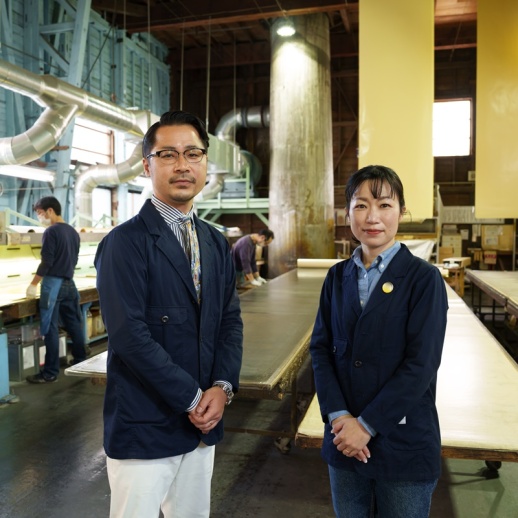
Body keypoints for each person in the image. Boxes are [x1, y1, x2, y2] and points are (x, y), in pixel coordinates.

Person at [94, 110, 243, 518]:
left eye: (193, 154)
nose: (182, 165)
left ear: (205, 163)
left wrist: (222, 387)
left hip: (202, 425)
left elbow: (229, 321)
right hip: (145, 424)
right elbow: (129, 337)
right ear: (147, 165)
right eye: (168, 155)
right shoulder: (124, 243)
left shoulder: (214, 242)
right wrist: (193, 398)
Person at [309, 165, 448, 517]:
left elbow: (421, 364)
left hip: (402, 443)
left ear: (402, 211)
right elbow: (321, 350)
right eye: (361, 205)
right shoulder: (336, 277)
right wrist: (340, 418)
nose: (372, 217)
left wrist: (366, 426)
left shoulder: (424, 280)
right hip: (343, 440)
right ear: (347, 213)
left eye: (385, 205)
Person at [25, 196, 87, 383]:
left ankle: (50, 373)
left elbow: (47, 262)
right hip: (69, 283)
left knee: (50, 328)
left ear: (50, 211)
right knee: (74, 325)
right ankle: (80, 361)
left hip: (52, 285)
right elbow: (74, 259)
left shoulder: (51, 231)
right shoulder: (73, 232)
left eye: (40, 213)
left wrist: (33, 283)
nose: (39, 217)